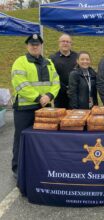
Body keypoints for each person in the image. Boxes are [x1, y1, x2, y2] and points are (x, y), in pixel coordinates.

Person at [11, 34, 60, 177]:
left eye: (37, 44)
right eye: (32, 44)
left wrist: (50, 96)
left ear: (41, 46)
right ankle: (18, 168)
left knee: (41, 138)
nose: (35, 46)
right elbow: (20, 84)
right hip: (25, 108)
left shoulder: (49, 63)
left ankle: (39, 166)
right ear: (27, 46)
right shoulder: (20, 62)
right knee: (21, 138)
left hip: (44, 107)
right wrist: (39, 98)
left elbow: (56, 82)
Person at [50, 34, 77, 108]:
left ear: (71, 44)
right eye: (63, 41)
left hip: (75, 94)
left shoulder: (77, 57)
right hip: (59, 94)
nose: (65, 43)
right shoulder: (53, 58)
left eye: (68, 42)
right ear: (59, 43)